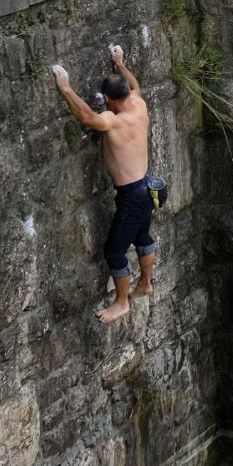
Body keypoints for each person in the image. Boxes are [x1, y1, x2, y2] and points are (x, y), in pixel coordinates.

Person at [52, 45, 155, 324]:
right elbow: (135, 86)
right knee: (142, 238)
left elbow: (87, 118)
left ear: (108, 98)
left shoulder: (112, 120)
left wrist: (66, 88)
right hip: (148, 187)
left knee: (114, 251)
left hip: (132, 195)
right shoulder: (139, 104)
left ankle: (122, 303)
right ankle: (145, 283)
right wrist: (120, 65)